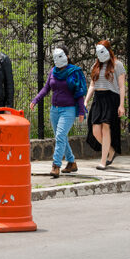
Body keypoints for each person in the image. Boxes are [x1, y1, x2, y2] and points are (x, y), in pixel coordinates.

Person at [30, 46, 87, 178]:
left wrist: (81, 111)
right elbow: (46, 88)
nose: (58, 59)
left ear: (67, 56)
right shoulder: (53, 72)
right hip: (54, 110)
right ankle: (71, 162)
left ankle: (56, 166)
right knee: (61, 137)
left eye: (61, 56)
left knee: (60, 136)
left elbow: (79, 93)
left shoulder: (74, 72)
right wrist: (35, 100)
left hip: (68, 110)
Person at [85, 40, 126, 170]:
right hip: (98, 98)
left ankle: (103, 161)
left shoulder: (117, 65)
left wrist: (121, 105)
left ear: (109, 50)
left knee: (106, 128)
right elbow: (92, 85)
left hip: (111, 98)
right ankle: (111, 150)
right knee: (96, 131)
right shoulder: (95, 66)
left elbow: (121, 87)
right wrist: (86, 101)